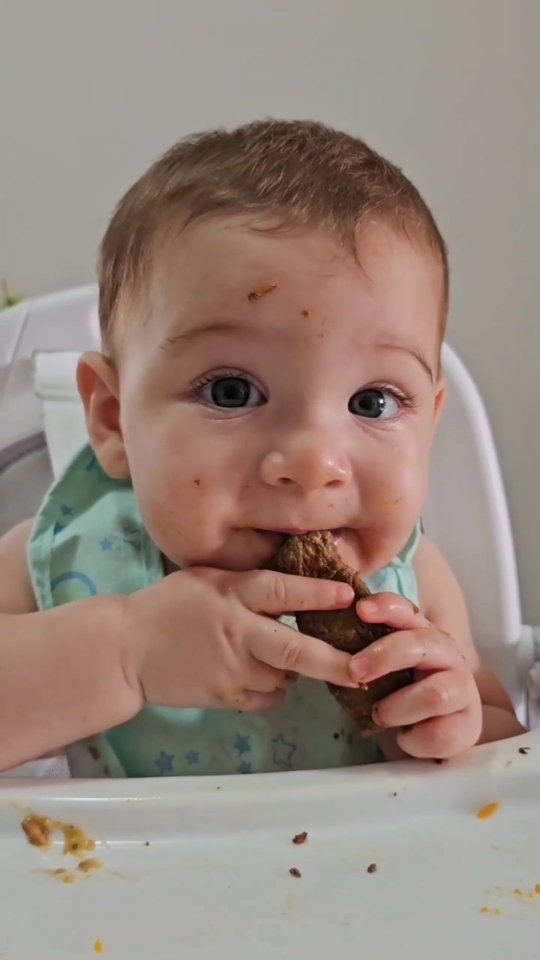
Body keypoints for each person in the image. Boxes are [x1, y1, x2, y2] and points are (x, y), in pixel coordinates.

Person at [0, 119, 523, 777]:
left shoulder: (412, 586)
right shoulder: (61, 557)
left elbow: (506, 765)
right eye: (229, 391)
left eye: (373, 403)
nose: (311, 464)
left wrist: (449, 724)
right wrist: (125, 653)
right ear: (112, 419)